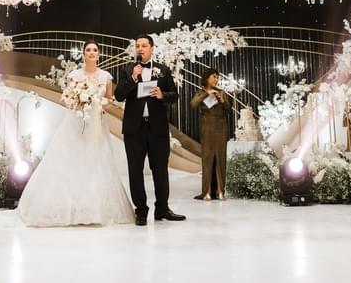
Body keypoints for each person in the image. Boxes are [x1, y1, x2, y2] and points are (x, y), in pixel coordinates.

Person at [17, 39, 133, 226]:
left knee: (96, 162)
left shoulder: (105, 76)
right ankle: (68, 208)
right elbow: (67, 98)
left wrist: (97, 102)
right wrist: (80, 101)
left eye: (95, 50)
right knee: (71, 161)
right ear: (83, 53)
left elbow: (110, 99)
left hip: (96, 124)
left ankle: (93, 209)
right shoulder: (74, 75)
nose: (92, 53)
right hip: (76, 123)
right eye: (88, 50)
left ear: (99, 54)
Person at [115, 34, 186, 226]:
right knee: (135, 171)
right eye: (137, 45)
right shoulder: (127, 70)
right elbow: (119, 95)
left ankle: (162, 209)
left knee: (160, 170)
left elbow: (174, 96)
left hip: (157, 129)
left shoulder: (163, 70)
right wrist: (132, 78)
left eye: (144, 45)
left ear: (152, 48)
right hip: (134, 129)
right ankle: (141, 211)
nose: (140, 48)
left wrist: (162, 95)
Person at [190, 68, 231, 201]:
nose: (216, 79)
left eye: (217, 77)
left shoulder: (221, 92)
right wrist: (206, 94)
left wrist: (222, 100)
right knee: (208, 158)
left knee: (220, 157)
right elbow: (193, 104)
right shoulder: (200, 92)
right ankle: (206, 191)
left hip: (221, 128)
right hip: (207, 128)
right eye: (214, 77)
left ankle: (220, 191)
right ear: (207, 78)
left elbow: (229, 110)